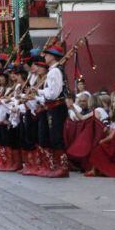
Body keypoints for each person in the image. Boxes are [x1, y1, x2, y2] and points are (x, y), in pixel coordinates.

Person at [28, 44, 69, 178]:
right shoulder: (53, 70)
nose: (44, 57)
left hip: (56, 106)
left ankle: (62, 167)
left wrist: (38, 91)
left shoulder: (54, 71)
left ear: (53, 56)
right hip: (53, 107)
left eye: (47, 54)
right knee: (52, 136)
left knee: (56, 137)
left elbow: (53, 93)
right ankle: (54, 166)